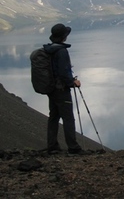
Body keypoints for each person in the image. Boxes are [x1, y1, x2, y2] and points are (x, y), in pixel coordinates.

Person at [43, 23, 83, 155]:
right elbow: (64, 72)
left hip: (51, 89)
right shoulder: (61, 51)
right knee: (68, 118)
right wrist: (73, 82)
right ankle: (73, 147)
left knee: (53, 117)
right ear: (64, 37)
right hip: (61, 90)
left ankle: (52, 146)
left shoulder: (49, 50)